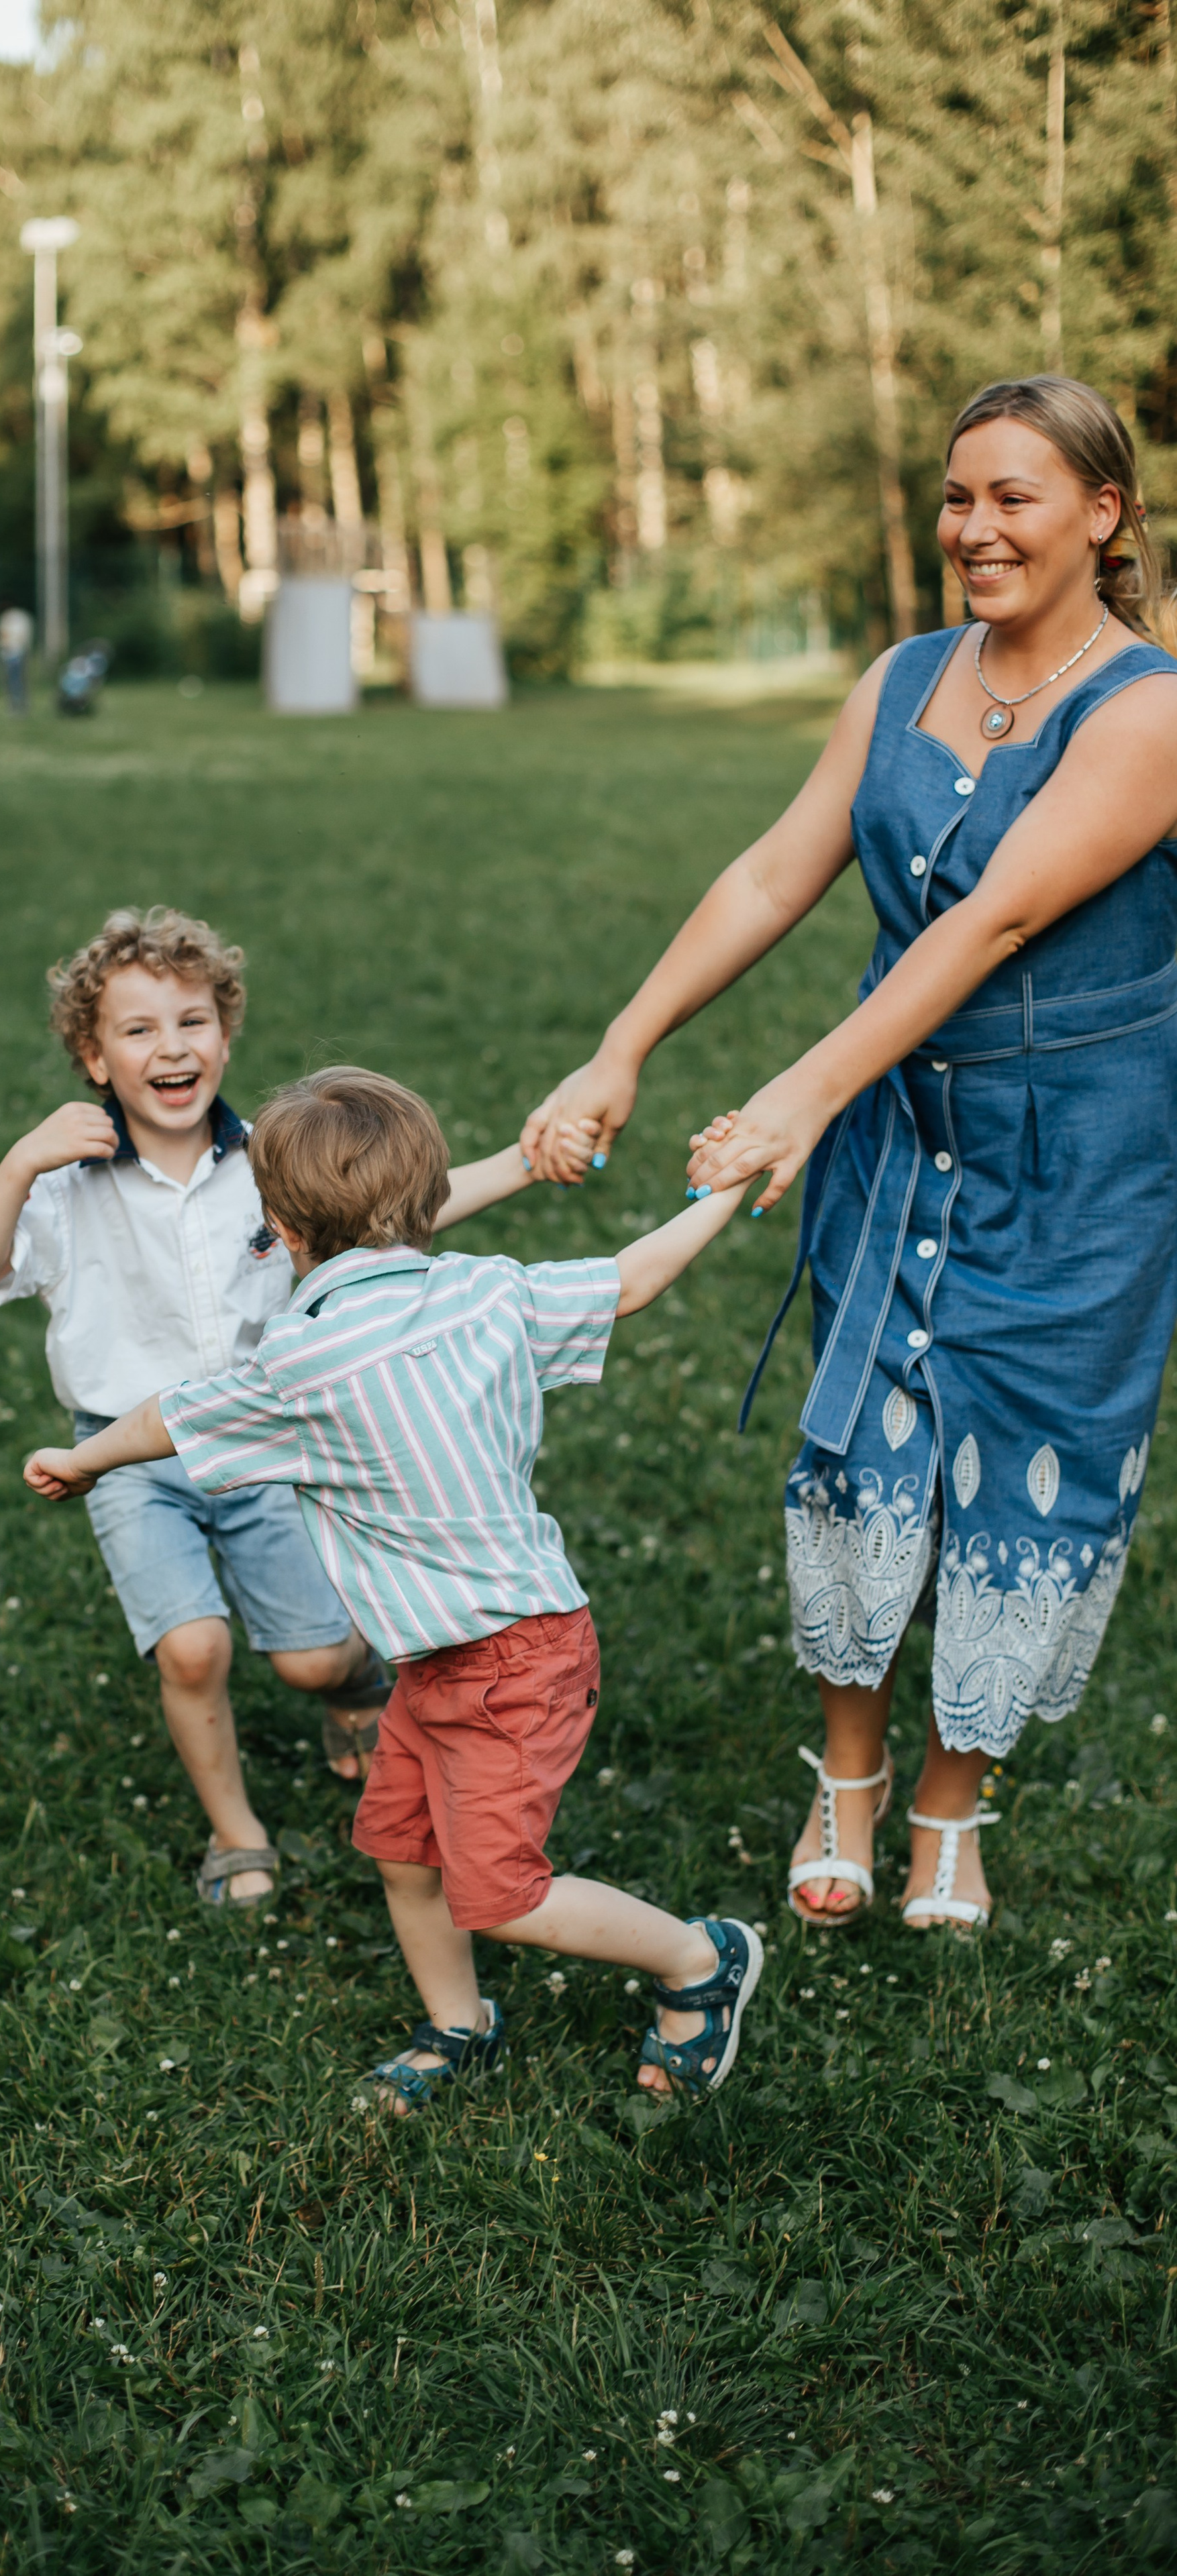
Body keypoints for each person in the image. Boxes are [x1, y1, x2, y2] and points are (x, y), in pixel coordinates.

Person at [524, 375, 1177, 1937]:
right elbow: (771, 870)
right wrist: (626, 1040)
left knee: (1024, 1467)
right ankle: (850, 1776)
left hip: (1076, 1159)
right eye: (956, 496)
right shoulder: (898, 677)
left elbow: (997, 913)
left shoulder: (1147, 707)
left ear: (1102, 514)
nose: (972, 528)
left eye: (1012, 496)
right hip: (899, 1137)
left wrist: (804, 1088)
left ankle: (952, 1804)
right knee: (862, 1457)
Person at [25, 1067, 764, 2106]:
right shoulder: (487, 1291)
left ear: (280, 1228)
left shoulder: (297, 1364)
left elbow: (176, 1416)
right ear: (427, 1199)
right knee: (403, 1848)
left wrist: (88, 1459)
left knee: (499, 1893)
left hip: (511, 1657)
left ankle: (700, 1959)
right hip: (457, 1653)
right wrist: (724, 1189)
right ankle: (459, 2024)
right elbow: (631, 1278)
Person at [0, 910, 598, 1911]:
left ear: (226, 1034)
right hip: (129, 1453)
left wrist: (520, 1161)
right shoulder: (64, 1181)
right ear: (91, 1054)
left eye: (193, 1021)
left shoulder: (270, 1162)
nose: (172, 1048)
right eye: (138, 1029)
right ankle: (236, 1831)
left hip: (271, 1439)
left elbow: (396, 1216)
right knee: (193, 1647)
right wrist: (20, 1161)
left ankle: (350, 1687)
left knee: (306, 1656)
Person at [0, 604, 32, 714]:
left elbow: (3, 636)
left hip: (14, 654)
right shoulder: (20, 618)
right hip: (12, 654)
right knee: (14, 682)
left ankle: (18, 706)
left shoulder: (10, 619)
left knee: (15, 682)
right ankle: (17, 705)